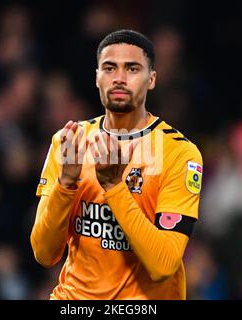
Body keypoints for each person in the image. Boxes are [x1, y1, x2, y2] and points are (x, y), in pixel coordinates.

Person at [30, 29, 203, 300]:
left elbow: (164, 265)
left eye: (132, 69)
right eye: (109, 68)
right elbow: (43, 253)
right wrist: (66, 184)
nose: (119, 79)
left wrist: (114, 186)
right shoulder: (70, 142)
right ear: (97, 77)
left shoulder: (180, 153)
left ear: (152, 79)